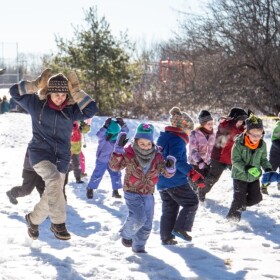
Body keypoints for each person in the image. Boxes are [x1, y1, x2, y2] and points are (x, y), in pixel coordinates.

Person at [9, 69, 98, 240]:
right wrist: (34, 85)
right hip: (40, 154)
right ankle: (58, 224)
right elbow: (14, 92)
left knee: (51, 194)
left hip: (62, 158)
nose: (60, 97)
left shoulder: (71, 110)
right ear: (49, 92)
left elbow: (91, 110)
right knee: (55, 180)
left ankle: (33, 220)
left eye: (64, 94)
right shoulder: (36, 105)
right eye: (56, 93)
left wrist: (76, 91)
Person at [109, 123, 176, 253]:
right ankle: (126, 235)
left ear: (152, 143)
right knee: (138, 218)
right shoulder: (129, 153)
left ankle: (139, 248)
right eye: (142, 143)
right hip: (132, 192)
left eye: (148, 143)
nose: (146, 147)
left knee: (147, 225)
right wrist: (118, 151)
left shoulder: (157, 156)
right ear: (136, 141)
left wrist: (170, 167)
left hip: (148, 194)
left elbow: (166, 174)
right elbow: (114, 167)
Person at [157, 107, 204, 245]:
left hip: (161, 181)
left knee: (170, 208)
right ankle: (180, 228)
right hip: (175, 181)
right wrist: (193, 174)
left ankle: (166, 237)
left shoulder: (163, 137)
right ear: (183, 129)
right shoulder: (178, 140)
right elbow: (178, 160)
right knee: (192, 202)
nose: (190, 134)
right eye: (190, 130)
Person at [226, 114, 272, 222]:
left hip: (253, 177)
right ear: (247, 132)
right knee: (239, 199)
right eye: (254, 135)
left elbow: (263, 159)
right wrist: (246, 168)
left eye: (259, 135)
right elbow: (235, 161)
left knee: (256, 199)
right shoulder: (239, 143)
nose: (257, 138)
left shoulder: (262, 144)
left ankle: (241, 204)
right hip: (239, 176)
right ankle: (231, 220)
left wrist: (268, 169)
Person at [198, 107, 248, 202]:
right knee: (213, 177)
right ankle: (201, 190)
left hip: (231, 157)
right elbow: (232, 134)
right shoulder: (225, 125)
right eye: (239, 121)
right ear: (234, 120)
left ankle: (241, 198)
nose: (240, 123)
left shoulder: (239, 129)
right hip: (218, 157)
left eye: (242, 121)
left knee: (240, 175)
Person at [87, 117, 128, 199]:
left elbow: (125, 132)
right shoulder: (103, 138)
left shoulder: (117, 139)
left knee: (116, 175)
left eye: (115, 133)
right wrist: (105, 126)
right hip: (102, 160)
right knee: (97, 175)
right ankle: (90, 188)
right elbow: (99, 134)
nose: (114, 135)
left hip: (113, 160)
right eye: (111, 133)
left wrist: (123, 124)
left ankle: (115, 190)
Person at [188, 110, 216, 191]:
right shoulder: (195, 134)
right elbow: (193, 151)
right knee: (196, 183)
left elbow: (213, 149)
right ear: (203, 124)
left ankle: (201, 197)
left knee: (205, 184)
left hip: (207, 163)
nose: (211, 125)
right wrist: (199, 161)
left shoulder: (212, 134)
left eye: (212, 123)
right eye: (209, 123)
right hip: (196, 164)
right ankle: (194, 196)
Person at [261, 112, 280, 194]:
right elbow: (274, 140)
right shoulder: (278, 127)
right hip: (276, 153)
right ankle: (264, 186)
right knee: (271, 170)